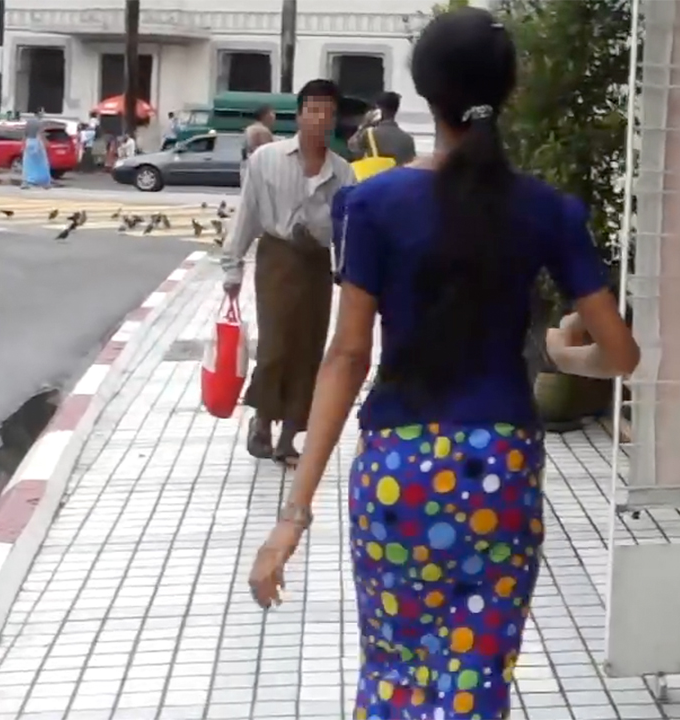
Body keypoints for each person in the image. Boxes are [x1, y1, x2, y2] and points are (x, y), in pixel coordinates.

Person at [246, 8, 640, 720]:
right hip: (502, 469)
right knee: (475, 682)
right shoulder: (548, 210)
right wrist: (557, 348)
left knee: (395, 674)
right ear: (509, 90)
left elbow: (346, 356)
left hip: (398, 469)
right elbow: (620, 354)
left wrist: (292, 516)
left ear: (424, 92)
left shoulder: (372, 203)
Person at [222, 80, 357, 466]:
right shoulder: (266, 160)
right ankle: (262, 422)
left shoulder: (343, 174)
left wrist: (348, 275)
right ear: (298, 114)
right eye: (312, 109)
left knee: (309, 348)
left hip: (316, 265)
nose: (319, 118)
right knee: (275, 345)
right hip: (277, 259)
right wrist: (232, 271)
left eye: (327, 112)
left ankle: (289, 437)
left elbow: (348, 231)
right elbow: (246, 215)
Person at [348, 91, 417, 165]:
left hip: (375, 175)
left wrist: (364, 125)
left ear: (378, 110)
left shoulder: (369, 133)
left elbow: (351, 147)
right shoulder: (408, 139)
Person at [241, 104, 276, 183]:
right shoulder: (262, 130)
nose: (274, 117)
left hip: (248, 163)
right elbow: (268, 150)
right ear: (265, 116)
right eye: (272, 114)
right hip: (260, 166)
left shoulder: (249, 128)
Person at [21, 109, 52, 189]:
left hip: (29, 142)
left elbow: (25, 134)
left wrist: (23, 144)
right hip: (37, 142)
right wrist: (46, 142)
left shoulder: (29, 122)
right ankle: (45, 182)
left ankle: (26, 182)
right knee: (42, 163)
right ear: (39, 113)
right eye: (42, 112)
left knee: (28, 163)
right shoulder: (40, 123)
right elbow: (40, 134)